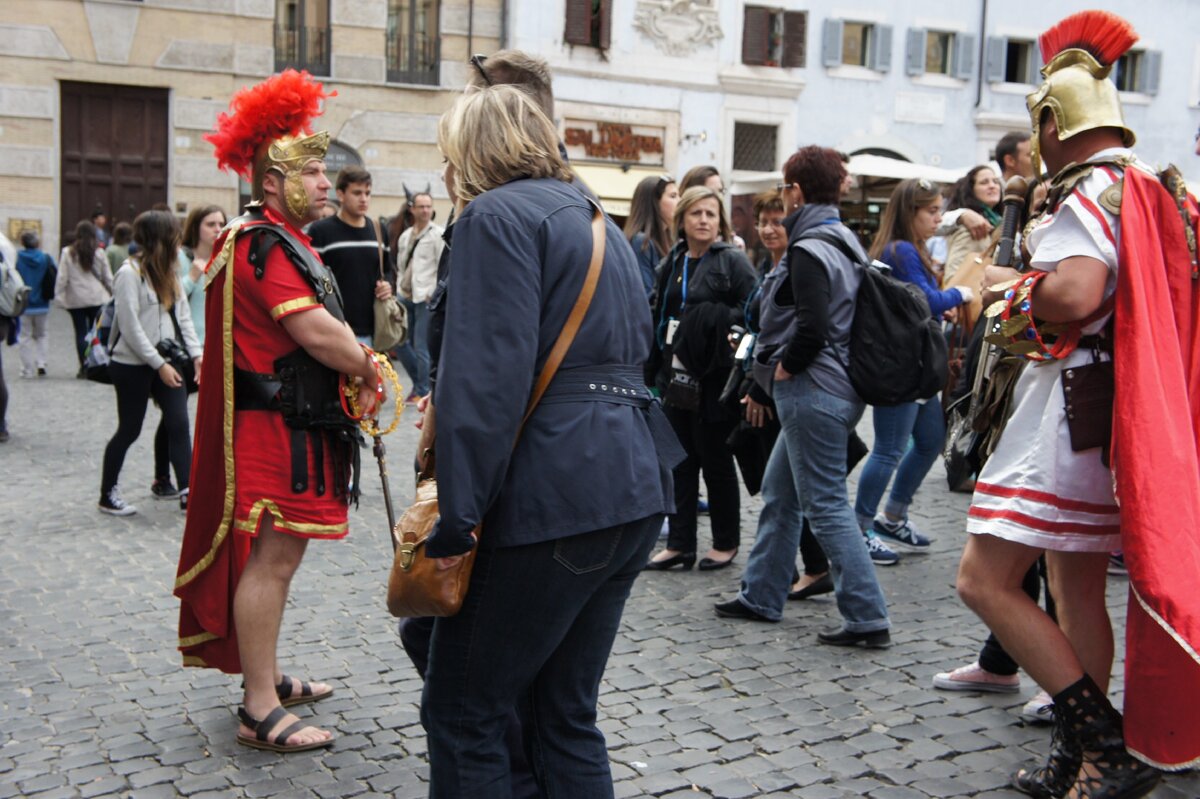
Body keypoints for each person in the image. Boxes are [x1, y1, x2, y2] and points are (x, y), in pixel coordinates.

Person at [957, 10, 1200, 795]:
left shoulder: (1090, 189)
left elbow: (1073, 291)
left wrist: (998, 293)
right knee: (1074, 585)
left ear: (1055, 122)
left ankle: (1104, 743)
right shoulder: (1142, 186)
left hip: (1067, 406)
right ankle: (1086, 757)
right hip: (1101, 409)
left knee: (983, 579)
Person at [420, 83, 674, 798]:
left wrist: (457, 517)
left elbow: (483, 382)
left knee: (464, 711)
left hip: (553, 494)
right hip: (629, 482)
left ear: (471, 150)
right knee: (563, 714)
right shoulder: (595, 217)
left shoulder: (494, 216)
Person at [174, 70, 383, 753]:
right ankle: (259, 705)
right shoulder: (263, 242)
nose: (326, 183)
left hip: (291, 421)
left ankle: (264, 677)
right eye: (314, 172)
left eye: (327, 172)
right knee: (271, 560)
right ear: (272, 181)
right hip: (273, 428)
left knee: (276, 560)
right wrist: (369, 363)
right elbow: (314, 332)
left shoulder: (280, 239)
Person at [712, 146, 891, 647]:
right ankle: (762, 594)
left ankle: (867, 617)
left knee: (827, 506)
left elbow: (811, 329)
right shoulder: (842, 239)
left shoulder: (809, 247)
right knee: (781, 495)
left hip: (814, 390)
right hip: (833, 387)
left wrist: (782, 373)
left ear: (795, 190)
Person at [852, 179, 971, 566]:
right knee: (889, 449)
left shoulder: (906, 248)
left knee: (929, 441)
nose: (938, 218)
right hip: (902, 364)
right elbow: (926, 302)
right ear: (910, 213)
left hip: (915, 363)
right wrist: (961, 295)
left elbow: (916, 303)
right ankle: (860, 527)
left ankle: (892, 517)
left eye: (939, 210)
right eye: (931, 211)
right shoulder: (900, 249)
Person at [644, 186, 756, 572]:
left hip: (715, 376)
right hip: (675, 377)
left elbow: (754, 313)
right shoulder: (673, 261)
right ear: (682, 220)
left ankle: (725, 542)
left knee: (716, 461)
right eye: (696, 214)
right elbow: (659, 310)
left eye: (711, 214)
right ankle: (680, 543)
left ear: (720, 221)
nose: (704, 221)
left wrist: (720, 325)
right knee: (678, 461)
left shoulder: (732, 262)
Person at [97, 211, 201, 515]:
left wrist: (196, 355)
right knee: (129, 428)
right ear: (162, 238)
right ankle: (107, 493)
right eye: (175, 234)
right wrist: (158, 365)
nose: (180, 239)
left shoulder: (170, 270)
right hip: (131, 364)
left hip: (167, 360)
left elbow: (182, 317)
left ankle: (188, 490)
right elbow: (130, 328)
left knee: (179, 423)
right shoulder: (129, 273)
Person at [307, 165, 394, 347]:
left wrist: (388, 285)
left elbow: (388, 270)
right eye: (357, 193)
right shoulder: (321, 231)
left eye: (367, 193)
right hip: (335, 330)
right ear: (340, 194)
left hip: (374, 331)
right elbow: (311, 281)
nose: (364, 199)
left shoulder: (379, 230)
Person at [394, 191, 443, 401]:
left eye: (428, 206)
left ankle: (422, 391)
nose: (425, 210)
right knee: (400, 342)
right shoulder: (406, 236)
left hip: (425, 297)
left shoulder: (437, 234)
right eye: (421, 206)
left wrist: (434, 293)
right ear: (412, 209)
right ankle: (419, 384)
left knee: (422, 346)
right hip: (405, 295)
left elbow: (443, 266)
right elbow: (400, 266)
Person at [56, 220, 113, 378]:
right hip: (97, 298)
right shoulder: (99, 252)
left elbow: (62, 277)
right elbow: (107, 277)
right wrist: (114, 293)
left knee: (80, 332)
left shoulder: (68, 252)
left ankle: (84, 366)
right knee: (95, 332)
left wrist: (59, 296)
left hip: (76, 299)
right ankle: (97, 362)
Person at [942, 166, 1002, 284]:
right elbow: (955, 275)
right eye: (984, 182)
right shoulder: (971, 226)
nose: (992, 186)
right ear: (971, 190)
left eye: (995, 181)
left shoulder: (998, 220)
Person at [624, 174, 680, 297]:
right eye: (673, 196)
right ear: (654, 202)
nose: (679, 201)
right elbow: (645, 295)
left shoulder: (670, 240)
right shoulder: (641, 242)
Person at [15, 231, 55, 378]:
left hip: (23, 303)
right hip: (42, 303)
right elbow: (54, 274)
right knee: (42, 334)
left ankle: (27, 368)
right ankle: (41, 363)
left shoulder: (17, 258)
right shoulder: (46, 258)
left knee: (24, 336)